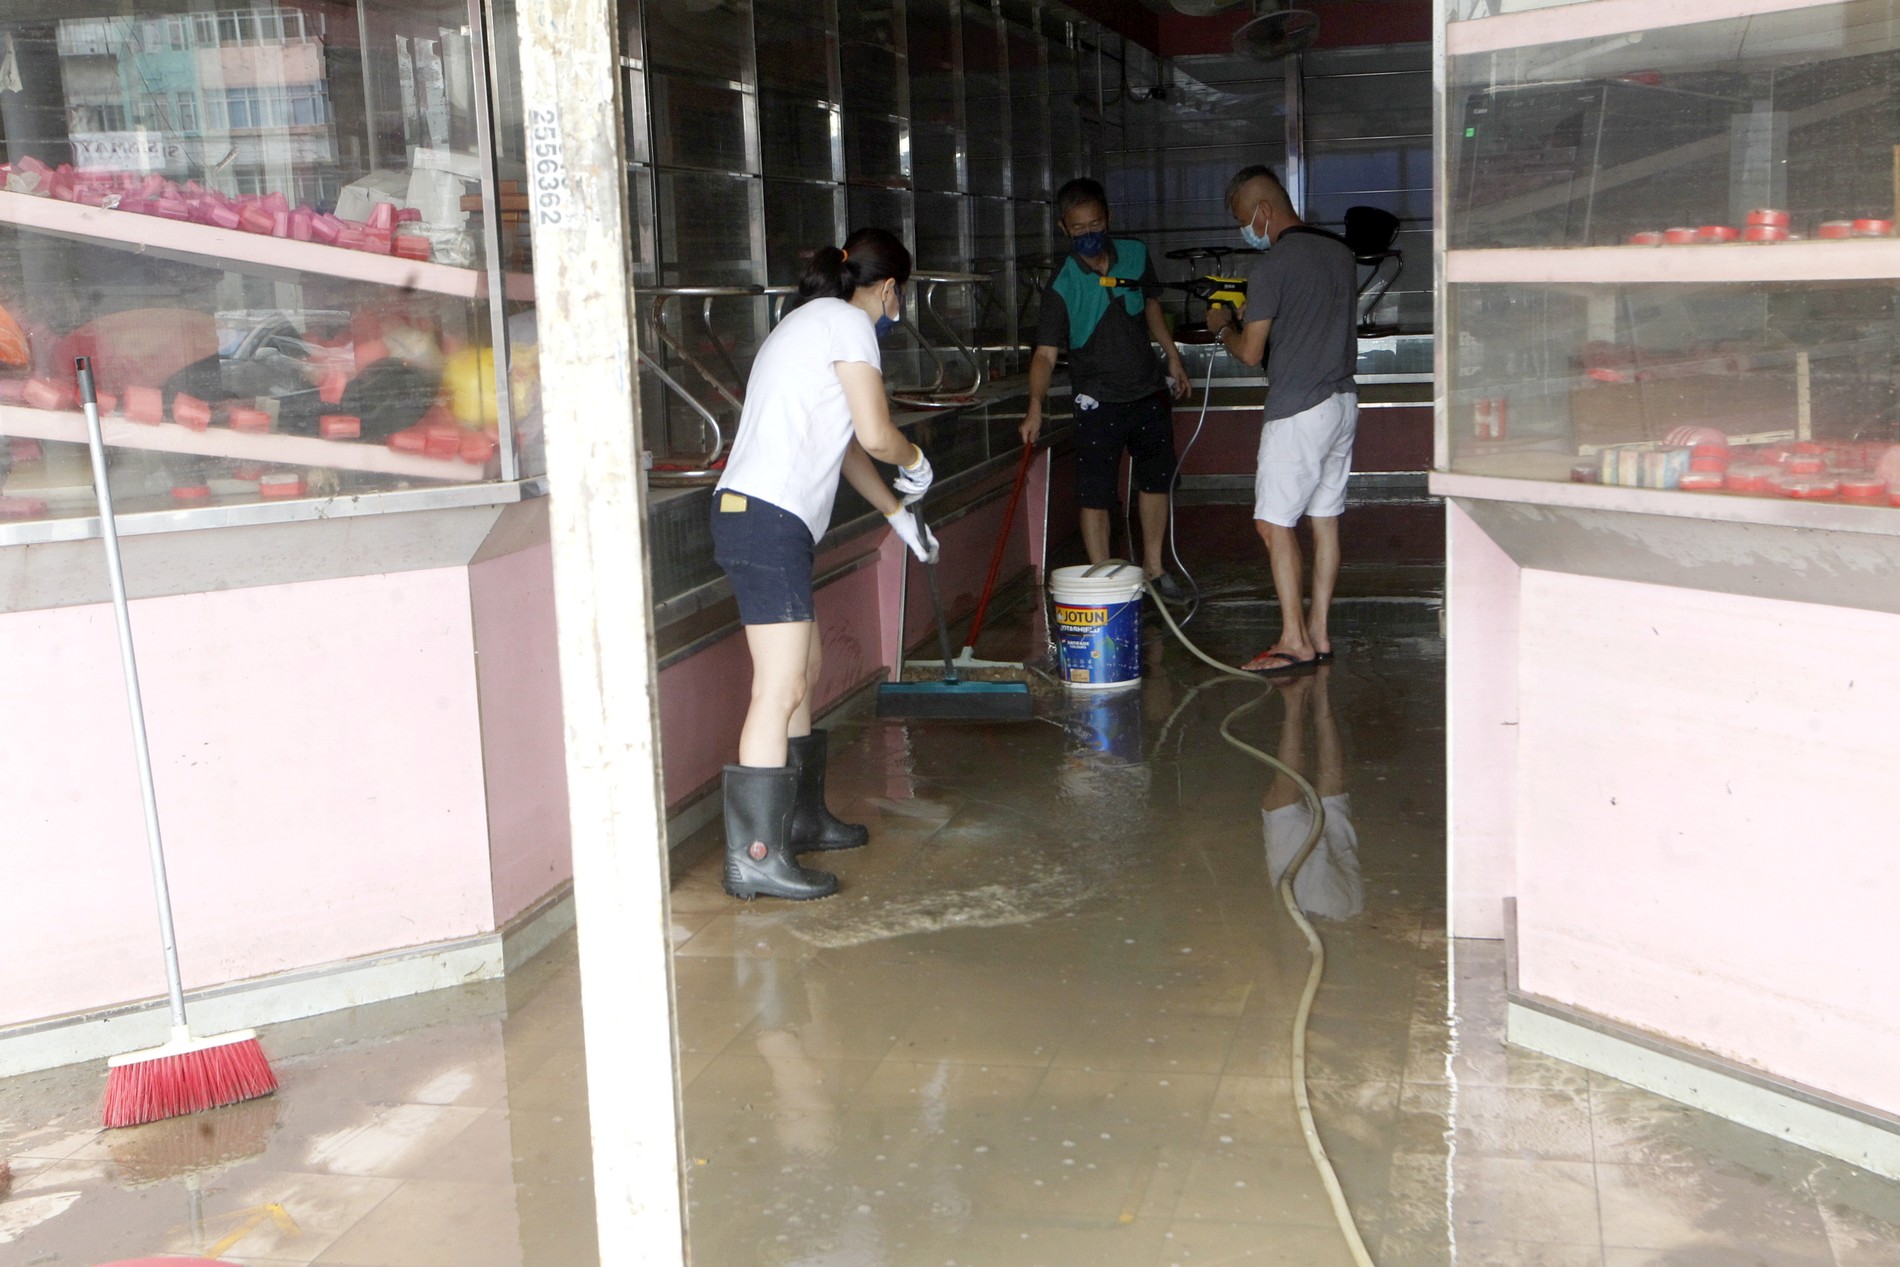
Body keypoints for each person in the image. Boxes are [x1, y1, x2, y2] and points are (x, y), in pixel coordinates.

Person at [711, 227, 938, 901]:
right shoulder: (849, 324)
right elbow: (875, 433)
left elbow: (842, 446)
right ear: (891, 289)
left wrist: (897, 512)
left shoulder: (810, 322)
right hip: (765, 517)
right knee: (778, 686)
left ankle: (800, 818)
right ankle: (754, 853)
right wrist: (915, 460)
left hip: (763, 517)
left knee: (802, 673)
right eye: (900, 298)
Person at [1207, 165, 1358, 673]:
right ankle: (1319, 633)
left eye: (1243, 220)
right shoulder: (1339, 254)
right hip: (1342, 404)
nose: (1245, 231)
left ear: (1263, 212)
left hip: (1298, 410)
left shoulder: (1271, 267)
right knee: (1324, 520)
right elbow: (1309, 318)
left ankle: (1293, 639)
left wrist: (1221, 327)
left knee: (1272, 523)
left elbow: (1251, 353)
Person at [1019, 177, 1192, 601]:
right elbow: (1044, 354)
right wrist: (1035, 406)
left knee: (1155, 482)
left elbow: (1151, 305)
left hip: (1147, 390)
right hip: (1096, 399)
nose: (1089, 233)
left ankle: (1153, 569)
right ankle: (1102, 580)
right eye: (1079, 228)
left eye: (1095, 223)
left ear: (1108, 217)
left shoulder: (1133, 254)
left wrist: (1171, 355)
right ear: (1064, 228)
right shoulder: (1062, 283)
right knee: (1095, 492)